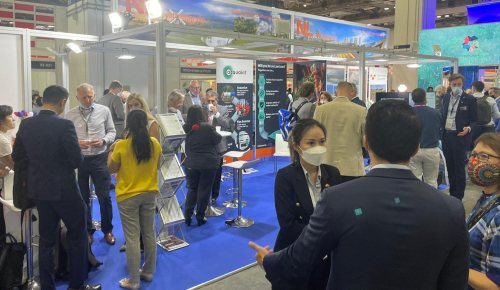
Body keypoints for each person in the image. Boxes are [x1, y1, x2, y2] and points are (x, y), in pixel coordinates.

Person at [249, 99, 469, 290]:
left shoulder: (337, 200)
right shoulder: (451, 209)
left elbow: (300, 259)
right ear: (415, 148)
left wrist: (268, 260)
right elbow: (455, 281)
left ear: (366, 142)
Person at [12, 85, 101, 290]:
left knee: (46, 241)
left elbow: (18, 157)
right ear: (62, 102)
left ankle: (47, 286)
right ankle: (76, 285)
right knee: (77, 236)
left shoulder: (26, 125)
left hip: (40, 190)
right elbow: (77, 160)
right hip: (65, 190)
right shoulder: (65, 125)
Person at [273, 119, 341, 290]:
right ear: (297, 146)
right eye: (311, 143)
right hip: (296, 255)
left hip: (327, 262)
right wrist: (324, 236)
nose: (318, 147)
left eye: (322, 142)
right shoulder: (285, 177)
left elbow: (340, 216)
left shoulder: (333, 173)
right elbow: (287, 225)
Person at [108, 109, 162, 290]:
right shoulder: (154, 143)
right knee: (149, 233)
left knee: (132, 238)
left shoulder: (121, 145)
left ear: (128, 125)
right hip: (150, 193)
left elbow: (111, 168)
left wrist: (111, 150)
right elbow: (158, 165)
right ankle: (148, 271)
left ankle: (133, 280)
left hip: (128, 195)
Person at [65, 83, 117, 245]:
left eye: (90, 97)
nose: (88, 100)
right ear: (77, 98)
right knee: (82, 198)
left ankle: (107, 230)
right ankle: (87, 231)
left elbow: (112, 131)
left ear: (94, 95)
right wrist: (76, 143)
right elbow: (66, 138)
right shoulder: (70, 114)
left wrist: (103, 140)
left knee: (104, 197)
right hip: (79, 160)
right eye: (84, 97)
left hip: (99, 158)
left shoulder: (104, 111)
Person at [313, 81, 366, 182]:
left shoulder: (320, 110)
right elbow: (365, 141)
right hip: (352, 168)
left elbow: (314, 138)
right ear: (352, 92)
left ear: (336, 92)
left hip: (326, 165)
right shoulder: (361, 111)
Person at [466, 133, 500, 290]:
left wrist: (451, 265)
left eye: (484, 156)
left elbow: (495, 284)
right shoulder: (487, 198)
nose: (474, 161)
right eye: (473, 154)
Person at [183, 105, 221, 226]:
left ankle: (187, 215)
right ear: (201, 114)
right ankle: (200, 216)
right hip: (208, 163)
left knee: (192, 189)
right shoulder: (207, 127)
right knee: (204, 190)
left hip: (192, 163)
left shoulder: (185, 128)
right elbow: (217, 139)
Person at [441, 73, 477, 200]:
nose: (456, 87)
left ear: (463, 84)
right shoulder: (445, 97)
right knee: (449, 166)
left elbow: (475, 120)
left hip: (460, 137)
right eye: (454, 84)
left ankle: (458, 197)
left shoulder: (470, 99)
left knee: (459, 168)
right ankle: (452, 195)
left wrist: (469, 128)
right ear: (450, 85)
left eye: (459, 84)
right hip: (446, 136)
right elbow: (443, 115)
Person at [409, 88, 443, 188]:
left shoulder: (407, 113)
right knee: (432, 181)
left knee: (415, 181)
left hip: (413, 151)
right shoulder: (435, 113)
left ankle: (416, 202)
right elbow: (440, 131)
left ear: (413, 99)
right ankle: (431, 202)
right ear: (425, 98)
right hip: (432, 150)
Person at [203, 90, 233, 203]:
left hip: (218, 145)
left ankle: (214, 196)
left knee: (217, 172)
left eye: (213, 101)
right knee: (205, 172)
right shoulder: (202, 109)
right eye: (208, 101)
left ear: (217, 100)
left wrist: (216, 114)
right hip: (205, 145)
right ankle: (204, 196)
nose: (210, 103)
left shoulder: (223, 109)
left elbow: (226, 124)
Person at [0, 105, 15, 244]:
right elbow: (13, 165)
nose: (13, 119)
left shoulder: (4, 137)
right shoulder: (3, 140)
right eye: (10, 116)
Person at [471, 81, 500, 146]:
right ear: (483, 89)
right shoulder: (490, 99)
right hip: (489, 128)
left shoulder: (468, 99)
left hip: (473, 128)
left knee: (473, 148)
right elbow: (497, 115)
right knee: (489, 148)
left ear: (473, 88)